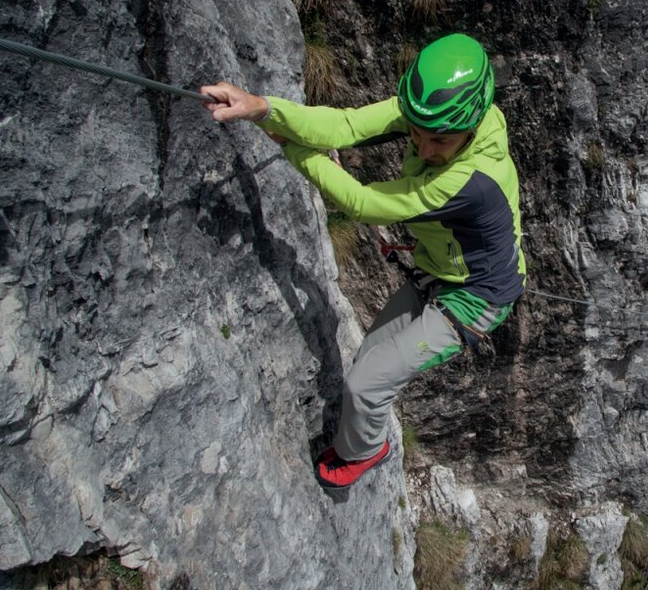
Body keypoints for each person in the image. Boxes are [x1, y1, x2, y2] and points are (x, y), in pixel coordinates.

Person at [201, 33, 526, 488]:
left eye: (439, 142)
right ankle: (361, 436)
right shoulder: (434, 113)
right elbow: (348, 126)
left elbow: (365, 204)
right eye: (415, 132)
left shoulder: (471, 179)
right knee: (369, 359)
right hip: (439, 269)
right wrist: (263, 108)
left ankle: (365, 452)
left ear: (470, 128)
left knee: (366, 384)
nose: (424, 147)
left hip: (477, 298)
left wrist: (291, 146)